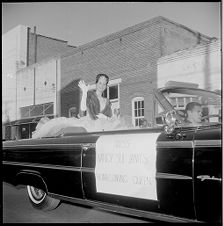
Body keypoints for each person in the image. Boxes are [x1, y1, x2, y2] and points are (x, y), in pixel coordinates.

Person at [32, 74, 122, 139]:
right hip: (90, 125)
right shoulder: (90, 96)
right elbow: (82, 111)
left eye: (104, 84)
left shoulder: (107, 101)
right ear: (96, 84)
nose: (102, 86)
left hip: (104, 128)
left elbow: (111, 117)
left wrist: (114, 116)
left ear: (106, 85)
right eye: (100, 83)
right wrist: (84, 93)